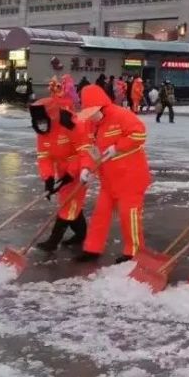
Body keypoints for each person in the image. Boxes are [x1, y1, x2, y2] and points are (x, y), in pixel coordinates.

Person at [75, 84, 151, 264]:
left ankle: (134, 251)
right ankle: (92, 248)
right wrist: (85, 168)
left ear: (101, 106)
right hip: (108, 180)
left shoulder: (121, 115)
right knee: (100, 215)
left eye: (93, 112)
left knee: (128, 215)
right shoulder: (89, 124)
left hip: (131, 178)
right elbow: (88, 149)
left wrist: (117, 148)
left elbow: (140, 135)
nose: (90, 117)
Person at [30, 88, 90, 251]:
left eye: (43, 121)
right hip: (62, 169)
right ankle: (82, 234)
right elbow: (44, 156)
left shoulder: (71, 124)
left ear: (52, 117)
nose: (41, 126)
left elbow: (83, 151)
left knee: (68, 204)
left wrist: (71, 174)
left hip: (81, 168)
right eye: (38, 123)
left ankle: (53, 241)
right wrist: (48, 178)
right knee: (71, 203)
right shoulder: (43, 131)